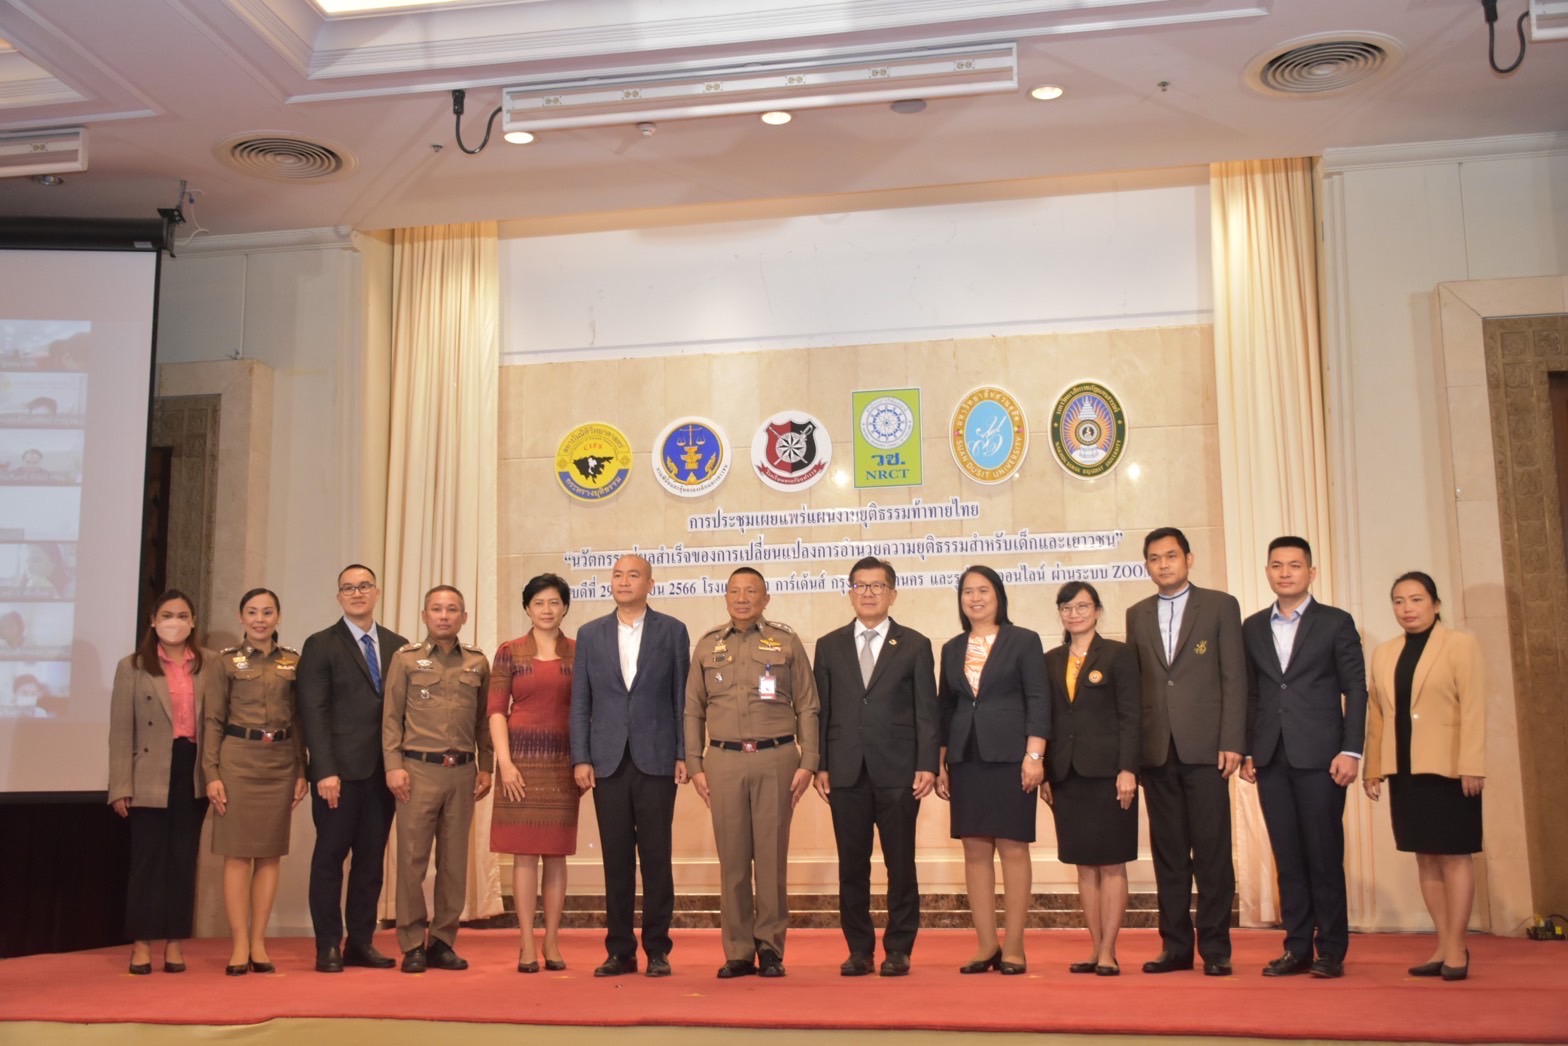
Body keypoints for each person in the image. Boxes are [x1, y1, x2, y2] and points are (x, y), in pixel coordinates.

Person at [1239, 537, 1366, 979]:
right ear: (1268, 572)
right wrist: (1250, 748)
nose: (1285, 572)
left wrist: (1351, 749)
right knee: (1287, 856)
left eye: (1294, 565)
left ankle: (1331, 949)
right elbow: (1252, 693)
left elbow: (1355, 689)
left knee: (1324, 855)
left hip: (1322, 758)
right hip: (1271, 757)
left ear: (1311, 572)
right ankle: (1296, 947)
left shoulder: (1335, 622)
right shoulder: (1253, 627)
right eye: (1277, 565)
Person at [686, 567, 820, 979]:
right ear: (726, 597)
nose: (742, 598)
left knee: (771, 858)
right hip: (723, 761)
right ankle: (739, 951)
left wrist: (809, 761)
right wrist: (694, 764)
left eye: (751, 591)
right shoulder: (707, 645)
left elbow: (807, 704)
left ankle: (771, 948)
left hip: (775, 758)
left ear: (766, 598)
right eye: (734, 591)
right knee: (732, 862)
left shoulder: (786, 641)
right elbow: (693, 709)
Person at [1124, 526, 1246, 976]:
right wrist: (1133, 754)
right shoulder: (1137, 614)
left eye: (1171, 556)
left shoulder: (1219, 606)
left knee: (1212, 852)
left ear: (1189, 559)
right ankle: (1175, 946)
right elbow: (1136, 687)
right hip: (1157, 750)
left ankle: (1215, 948)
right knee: (1169, 854)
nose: (1163, 565)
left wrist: (1232, 740)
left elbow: (1234, 676)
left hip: (1206, 748)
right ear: (1147, 566)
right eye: (1155, 558)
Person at [812, 556, 938, 977]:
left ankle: (899, 948)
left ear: (892, 594)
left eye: (877, 586)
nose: (868, 593)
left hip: (899, 771)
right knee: (852, 866)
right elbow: (821, 711)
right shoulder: (828, 645)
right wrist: (821, 764)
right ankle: (859, 949)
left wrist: (927, 763)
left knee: (900, 864)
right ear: (850, 593)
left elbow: (926, 709)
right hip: (845, 770)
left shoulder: (915, 644)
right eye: (860, 586)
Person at [570, 554, 691, 977]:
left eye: (633, 575)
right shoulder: (590, 634)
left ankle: (658, 948)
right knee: (616, 859)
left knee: (657, 858)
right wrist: (581, 757)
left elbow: (681, 698)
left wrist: (683, 753)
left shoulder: (672, 631)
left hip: (657, 758)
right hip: (607, 761)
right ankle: (619, 950)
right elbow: (580, 701)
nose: (624, 581)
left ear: (650, 584)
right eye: (618, 575)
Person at [1363, 571, 1484, 982]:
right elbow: (1377, 715)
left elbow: (1474, 707)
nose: (1407, 609)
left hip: (1450, 767)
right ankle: (1443, 944)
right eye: (1399, 601)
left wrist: (1473, 764)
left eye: (1416, 600)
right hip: (1405, 769)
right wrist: (1374, 768)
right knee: (1425, 856)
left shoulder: (1460, 645)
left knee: (1454, 854)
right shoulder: (1385, 652)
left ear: (1435, 604)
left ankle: (1458, 946)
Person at [935, 565, 1049, 975]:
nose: (975, 598)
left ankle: (1014, 945)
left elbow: (1039, 699)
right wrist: (940, 762)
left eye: (983, 590)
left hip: (1012, 757)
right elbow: (945, 707)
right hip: (966, 758)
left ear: (998, 595)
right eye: (968, 591)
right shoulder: (952, 647)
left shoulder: (1024, 641)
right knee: (975, 850)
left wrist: (1034, 755)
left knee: (1013, 848)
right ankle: (986, 945)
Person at [296, 564, 408, 973]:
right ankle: (328, 944)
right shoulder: (320, 644)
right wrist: (324, 770)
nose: (357, 593)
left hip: (383, 773)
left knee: (370, 863)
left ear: (376, 592)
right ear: (339, 597)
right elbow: (313, 712)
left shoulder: (399, 646)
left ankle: (360, 942)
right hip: (337, 776)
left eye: (364, 586)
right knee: (329, 860)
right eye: (348, 588)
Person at [106, 590, 217, 975]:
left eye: (183, 615)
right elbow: (121, 730)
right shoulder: (133, 666)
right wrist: (120, 785)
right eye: (167, 615)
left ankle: (174, 941)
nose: (175, 622)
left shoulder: (210, 663)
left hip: (192, 768)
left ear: (193, 622)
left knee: (183, 859)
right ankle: (141, 942)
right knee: (147, 860)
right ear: (153, 621)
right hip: (149, 769)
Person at [383, 584, 493, 973]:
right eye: (436, 609)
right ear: (424, 615)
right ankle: (412, 943)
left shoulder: (477, 662)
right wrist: (393, 765)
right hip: (417, 771)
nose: (444, 616)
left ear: (464, 617)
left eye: (451, 610)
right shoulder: (406, 659)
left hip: (462, 773)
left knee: (453, 862)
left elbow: (483, 721)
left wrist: (486, 765)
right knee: (412, 861)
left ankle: (443, 941)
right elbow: (391, 717)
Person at [204, 588, 309, 975]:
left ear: (278, 616)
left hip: (279, 763)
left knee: (268, 854)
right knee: (236, 854)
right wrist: (211, 773)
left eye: (267, 612)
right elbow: (213, 719)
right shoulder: (225, 661)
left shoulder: (293, 662)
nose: (260, 619)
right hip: (237, 761)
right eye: (252, 612)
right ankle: (238, 944)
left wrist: (302, 770)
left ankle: (259, 942)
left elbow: (299, 720)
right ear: (241, 617)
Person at [1041, 581, 1140, 976]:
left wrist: (1128, 768)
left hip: (1110, 774)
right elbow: (1047, 719)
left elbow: (1131, 715)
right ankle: (1095, 947)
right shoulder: (1050, 660)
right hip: (1066, 775)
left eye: (1082, 606)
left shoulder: (1118, 654)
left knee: (1111, 863)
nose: (1074, 614)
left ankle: (1110, 951)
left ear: (1097, 610)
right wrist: (1045, 771)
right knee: (1083, 865)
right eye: (1067, 608)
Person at [489, 573, 579, 973]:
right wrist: (505, 763)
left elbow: (587, 709)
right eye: (539, 602)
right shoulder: (509, 652)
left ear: (565, 607)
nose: (547, 609)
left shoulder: (579, 652)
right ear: (527, 608)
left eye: (554, 602)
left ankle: (552, 940)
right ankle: (526, 941)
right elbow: (496, 711)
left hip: (562, 763)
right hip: (519, 762)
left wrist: (583, 761)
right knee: (524, 854)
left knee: (556, 855)